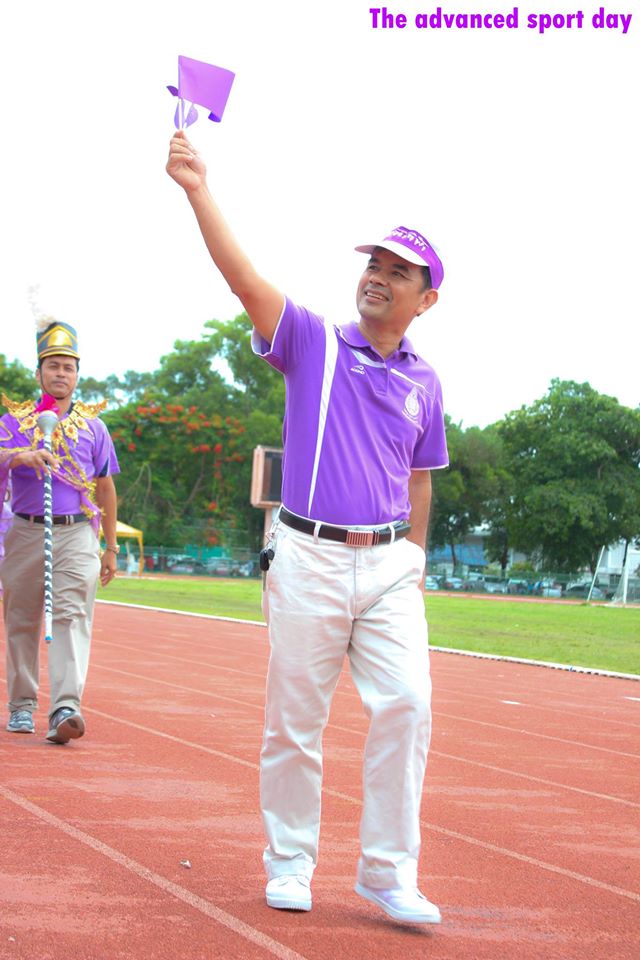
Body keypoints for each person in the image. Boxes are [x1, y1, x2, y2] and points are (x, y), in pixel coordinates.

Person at [167, 131, 448, 924]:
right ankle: (289, 863)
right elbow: (244, 279)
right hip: (308, 555)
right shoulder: (315, 343)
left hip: (390, 565)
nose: (379, 278)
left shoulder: (426, 380)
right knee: (296, 719)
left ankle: (389, 874)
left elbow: (420, 473)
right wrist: (197, 190)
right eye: (374, 265)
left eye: (399, 272)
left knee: (409, 706)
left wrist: (417, 555)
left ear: (425, 300)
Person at [0, 319, 120, 744]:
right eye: (53, 365)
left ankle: (65, 706)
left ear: (77, 375)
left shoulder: (95, 428)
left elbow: (105, 487)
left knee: (71, 615)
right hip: (26, 531)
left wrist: (111, 546)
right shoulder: (13, 421)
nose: (61, 374)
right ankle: (21, 705)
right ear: (38, 373)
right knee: (22, 618)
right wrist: (19, 455)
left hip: (75, 535)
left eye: (69, 367)